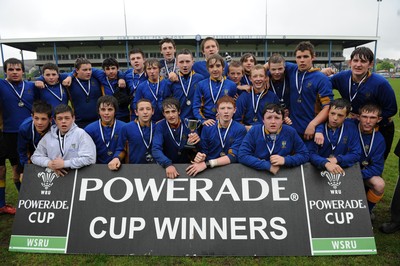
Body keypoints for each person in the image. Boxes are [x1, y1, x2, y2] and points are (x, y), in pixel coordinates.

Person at [330, 47, 397, 159]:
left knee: (374, 162)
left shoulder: (381, 83)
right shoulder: (341, 77)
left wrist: (370, 118)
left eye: (363, 61)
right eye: (355, 61)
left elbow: (392, 109)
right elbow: (321, 84)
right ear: (350, 62)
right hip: (355, 125)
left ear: (370, 64)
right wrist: (321, 72)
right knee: (353, 159)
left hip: (381, 127)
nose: (358, 65)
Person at [0, 58, 38, 215]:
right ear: (5, 71)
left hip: (26, 133)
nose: (14, 72)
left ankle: (27, 201)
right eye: (11, 69)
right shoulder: (1, 85)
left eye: (17, 69)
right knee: (4, 169)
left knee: (23, 168)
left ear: (23, 71)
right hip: (5, 134)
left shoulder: (31, 86)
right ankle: (2, 204)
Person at [238, 103, 309, 175]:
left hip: (285, 177)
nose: (273, 122)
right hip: (258, 175)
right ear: (263, 120)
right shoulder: (254, 131)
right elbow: (242, 155)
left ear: (282, 120)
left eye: (277, 118)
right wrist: (266, 165)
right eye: (269, 118)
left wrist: (285, 160)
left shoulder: (290, 132)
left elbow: (305, 155)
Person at [283, 41, 334, 140]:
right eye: (299, 57)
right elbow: (272, 63)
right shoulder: (291, 70)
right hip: (291, 127)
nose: (302, 60)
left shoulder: (321, 79)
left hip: (311, 129)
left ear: (313, 57)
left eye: (305, 57)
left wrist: (313, 124)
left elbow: (328, 107)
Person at [186, 96, 246, 176]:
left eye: (229, 108)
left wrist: (207, 163)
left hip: (231, 169)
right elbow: (204, 151)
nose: (226, 111)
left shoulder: (240, 129)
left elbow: (234, 156)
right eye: (222, 108)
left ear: (234, 110)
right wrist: (201, 157)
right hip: (210, 170)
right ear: (217, 110)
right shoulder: (207, 127)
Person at [31, 104, 96, 176]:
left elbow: (90, 158)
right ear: (55, 120)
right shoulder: (48, 136)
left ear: (73, 118)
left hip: (78, 176)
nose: (63, 121)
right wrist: (50, 164)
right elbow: (35, 157)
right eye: (60, 118)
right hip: (56, 176)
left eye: (67, 118)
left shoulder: (81, 134)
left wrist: (65, 164)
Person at [309, 98, 361, 174]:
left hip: (341, 171)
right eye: (332, 113)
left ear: (347, 116)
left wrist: (337, 159)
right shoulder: (316, 128)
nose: (335, 118)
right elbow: (310, 153)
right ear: (328, 112)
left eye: (340, 115)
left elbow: (356, 154)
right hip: (317, 171)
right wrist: (326, 163)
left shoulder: (351, 128)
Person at [152, 97, 200, 179]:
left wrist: (197, 142)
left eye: (173, 111)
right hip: (166, 167)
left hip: (187, 166)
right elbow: (156, 149)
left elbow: (197, 148)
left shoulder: (189, 124)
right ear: (163, 114)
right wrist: (167, 164)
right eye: (167, 112)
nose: (171, 115)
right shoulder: (160, 126)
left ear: (179, 111)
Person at [108, 98, 155, 170]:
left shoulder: (157, 128)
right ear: (136, 112)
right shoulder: (126, 128)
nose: (145, 112)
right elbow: (121, 148)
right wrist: (116, 158)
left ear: (152, 111)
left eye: (148, 109)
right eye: (141, 109)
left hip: (156, 169)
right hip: (133, 169)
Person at [356, 104, 385, 216]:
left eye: (372, 118)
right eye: (364, 116)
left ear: (379, 119)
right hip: (340, 169)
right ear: (358, 117)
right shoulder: (348, 126)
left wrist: (358, 174)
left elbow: (377, 168)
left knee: (379, 184)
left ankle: (366, 212)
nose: (368, 121)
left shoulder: (379, 139)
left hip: (361, 173)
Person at [193, 54, 237, 126]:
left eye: (218, 66)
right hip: (207, 124)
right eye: (211, 66)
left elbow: (234, 106)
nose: (215, 69)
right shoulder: (201, 85)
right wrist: (203, 120)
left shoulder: (231, 85)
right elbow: (196, 106)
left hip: (225, 123)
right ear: (207, 69)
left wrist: (226, 116)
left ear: (223, 67)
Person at [234, 64, 280, 131]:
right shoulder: (243, 96)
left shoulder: (273, 97)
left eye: (261, 76)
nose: (258, 79)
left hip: (266, 133)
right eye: (255, 76)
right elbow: (236, 120)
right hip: (247, 133)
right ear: (250, 79)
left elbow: (277, 119)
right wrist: (245, 127)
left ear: (266, 78)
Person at [164, 49, 204, 120]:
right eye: (181, 62)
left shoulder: (200, 79)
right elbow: (165, 100)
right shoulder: (171, 80)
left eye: (187, 61)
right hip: (177, 120)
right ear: (176, 63)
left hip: (196, 119)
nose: (185, 65)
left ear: (192, 62)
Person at [84, 96, 126, 164]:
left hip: (119, 166)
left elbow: (125, 148)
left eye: (110, 109)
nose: (106, 113)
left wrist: (117, 158)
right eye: (103, 109)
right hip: (96, 168)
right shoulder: (89, 129)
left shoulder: (124, 127)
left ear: (115, 111)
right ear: (98, 111)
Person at [17, 100, 52, 178]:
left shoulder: (55, 128)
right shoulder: (24, 128)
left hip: (51, 155)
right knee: (22, 176)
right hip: (32, 152)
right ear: (32, 116)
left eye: (43, 119)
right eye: (36, 118)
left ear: (50, 119)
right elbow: (22, 151)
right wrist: (26, 168)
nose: (39, 122)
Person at [67, 58, 104, 128]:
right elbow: (55, 75)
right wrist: (41, 79)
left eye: (90, 69)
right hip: (79, 123)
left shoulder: (96, 79)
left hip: (98, 121)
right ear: (77, 70)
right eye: (85, 70)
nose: (88, 72)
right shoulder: (70, 81)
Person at [99, 58, 130, 122]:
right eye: (107, 69)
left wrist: (121, 77)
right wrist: (72, 75)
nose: (111, 71)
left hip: (123, 115)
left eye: (113, 68)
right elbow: (88, 68)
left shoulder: (124, 78)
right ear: (104, 71)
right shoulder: (103, 79)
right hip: (108, 116)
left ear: (118, 68)